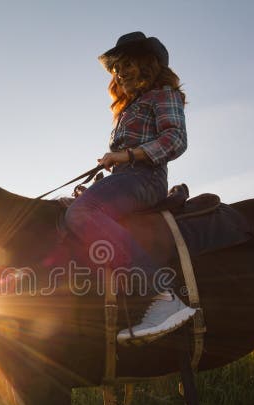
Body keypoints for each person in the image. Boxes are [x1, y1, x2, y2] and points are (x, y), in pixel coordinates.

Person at [64, 31, 196, 345]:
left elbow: (176, 139)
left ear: (145, 64)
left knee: (82, 213)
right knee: (73, 207)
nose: (119, 71)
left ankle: (161, 297)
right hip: (125, 177)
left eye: (126, 63)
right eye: (116, 67)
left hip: (146, 178)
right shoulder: (127, 109)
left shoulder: (163, 94)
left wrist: (126, 155)